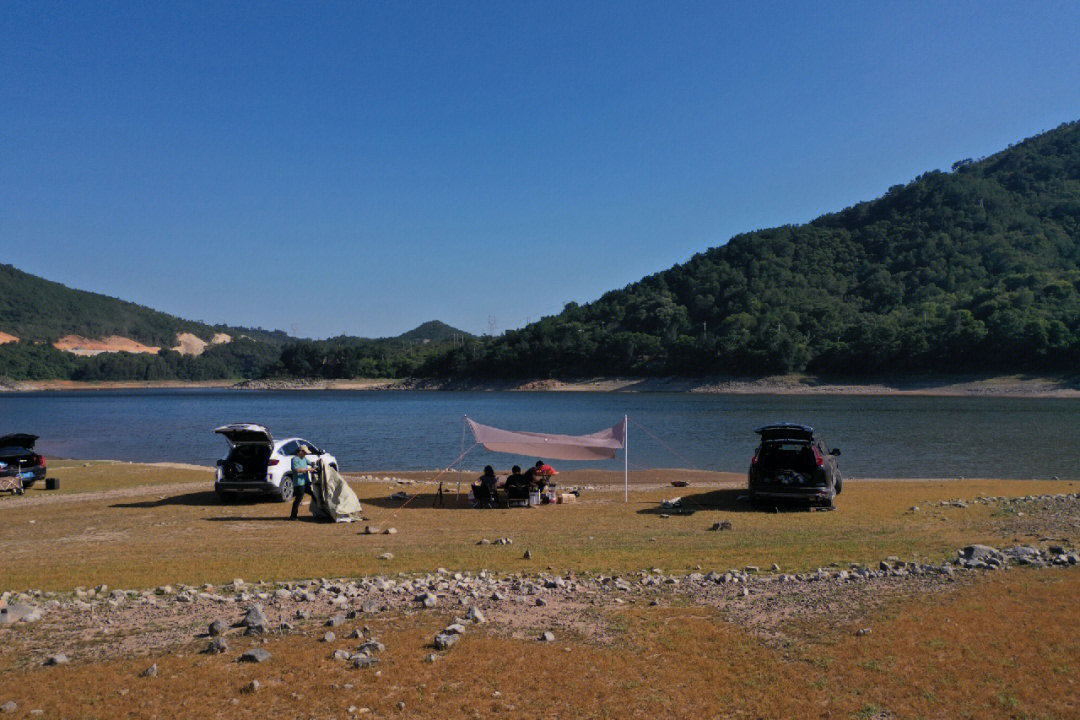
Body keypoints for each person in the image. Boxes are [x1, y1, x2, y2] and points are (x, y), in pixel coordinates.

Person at [289, 445, 316, 520]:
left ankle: (320, 511)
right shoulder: (294, 459)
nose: (306, 454)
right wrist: (308, 470)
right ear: (300, 451)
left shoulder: (304, 458)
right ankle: (293, 516)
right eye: (305, 453)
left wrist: (314, 465)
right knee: (298, 499)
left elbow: (311, 463)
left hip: (306, 482)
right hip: (299, 483)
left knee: (314, 494)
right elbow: (297, 470)